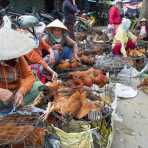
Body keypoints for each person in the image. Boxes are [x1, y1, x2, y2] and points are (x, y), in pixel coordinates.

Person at [0, 15, 41, 112]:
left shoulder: (18, 55)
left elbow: (29, 76)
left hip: (15, 93)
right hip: (2, 98)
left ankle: (15, 106)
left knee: (39, 86)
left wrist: (21, 92)